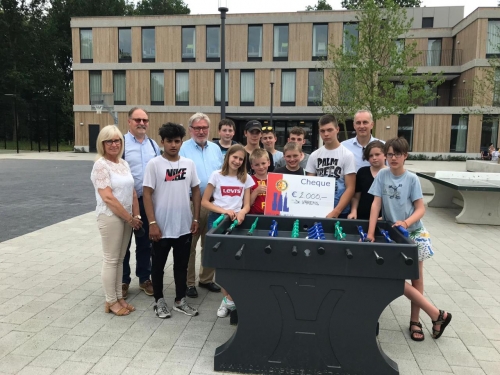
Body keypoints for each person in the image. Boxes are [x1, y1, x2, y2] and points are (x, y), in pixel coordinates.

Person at [367, 137, 452, 342]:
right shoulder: (382, 176)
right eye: (390, 154)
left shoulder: (412, 179)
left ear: (405, 156)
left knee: (416, 278)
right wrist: (370, 233)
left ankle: (416, 321)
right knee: (394, 277)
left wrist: (405, 222)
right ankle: (437, 315)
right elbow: (376, 205)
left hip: (413, 233)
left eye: (397, 154)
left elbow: (421, 208)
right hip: (393, 233)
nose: (393, 157)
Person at [143, 123, 201, 319]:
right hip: (161, 227)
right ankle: (159, 301)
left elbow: (196, 190)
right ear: (162, 142)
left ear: (181, 142)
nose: (173, 145)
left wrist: (195, 218)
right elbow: (147, 193)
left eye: (177, 141)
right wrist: (152, 223)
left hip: (183, 225)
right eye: (169, 141)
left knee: (181, 266)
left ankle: (179, 300)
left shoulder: (188, 164)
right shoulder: (154, 164)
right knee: (158, 266)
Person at [90, 125, 141, 316]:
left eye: (117, 140)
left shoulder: (123, 163)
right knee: (111, 259)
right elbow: (108, 197)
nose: (114, 144)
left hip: (127, 218)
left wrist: (136, 215)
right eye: (109, 140)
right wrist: (129, 218)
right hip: (111, 217)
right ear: (102, 143)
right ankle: (110, 300)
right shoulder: (101, 165)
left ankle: (119, 297)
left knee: (120, 259)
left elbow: (132, 191)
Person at [201, 144, 253, 319]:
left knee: (234, 262)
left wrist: (242, 213)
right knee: (221, 262)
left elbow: (246, 204)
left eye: (241, 159)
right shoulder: (216, 176)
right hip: (218, 221)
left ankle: (230, 300)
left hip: (237, 223)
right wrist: (224, 211)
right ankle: (227, 300)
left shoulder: (245, 178)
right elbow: (205, 202)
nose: (237, 161)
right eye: (235, 157)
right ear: (228, 157)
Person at [179, 113, 223, 298]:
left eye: (204, 127)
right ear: (190, 130)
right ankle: (189, 283)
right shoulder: (182, 149)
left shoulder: (215, 149)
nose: (201, 131)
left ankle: (206, 279)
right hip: (191, 203)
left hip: (213, 204)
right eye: (197, 128)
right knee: (190, 246)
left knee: (210, 243)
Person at [122, 107, 160, 298]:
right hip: (126, 203)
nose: (141, 123)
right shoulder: (120, 143)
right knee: (124, 243)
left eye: (144, 120)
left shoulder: (153, 145)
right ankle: (123, 280)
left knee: (146, 242)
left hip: (147, 201)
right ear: (129, 121)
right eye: (137, 120)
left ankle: (145, 278)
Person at [306, 114, 356, 219]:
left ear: (337, 129)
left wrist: (336, 211)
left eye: (329, 130)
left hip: (340, 211)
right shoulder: (314, 155)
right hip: (319, 208)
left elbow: (350, 187)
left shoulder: (347, 155)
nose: (326, 134)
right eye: (322, 131)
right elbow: (309, 184)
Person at [348, 140, 386, 220]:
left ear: (385, 155)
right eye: (371, 156)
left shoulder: (390, 174)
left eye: (377, 154)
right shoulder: (362, 172)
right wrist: (353, 211)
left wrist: (386, 216)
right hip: (361, 217)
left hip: (382, 218)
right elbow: (356, 197)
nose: (374, 158)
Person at [249, 148, 270, 215]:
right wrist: (256, 191)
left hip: (272, 215)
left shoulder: (275, 180)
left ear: (268, 163)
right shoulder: (249, 180)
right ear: (252, 166)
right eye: (257, 165)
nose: (261, 167)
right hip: (254, 215)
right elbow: (247, 204)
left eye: (263, 163)